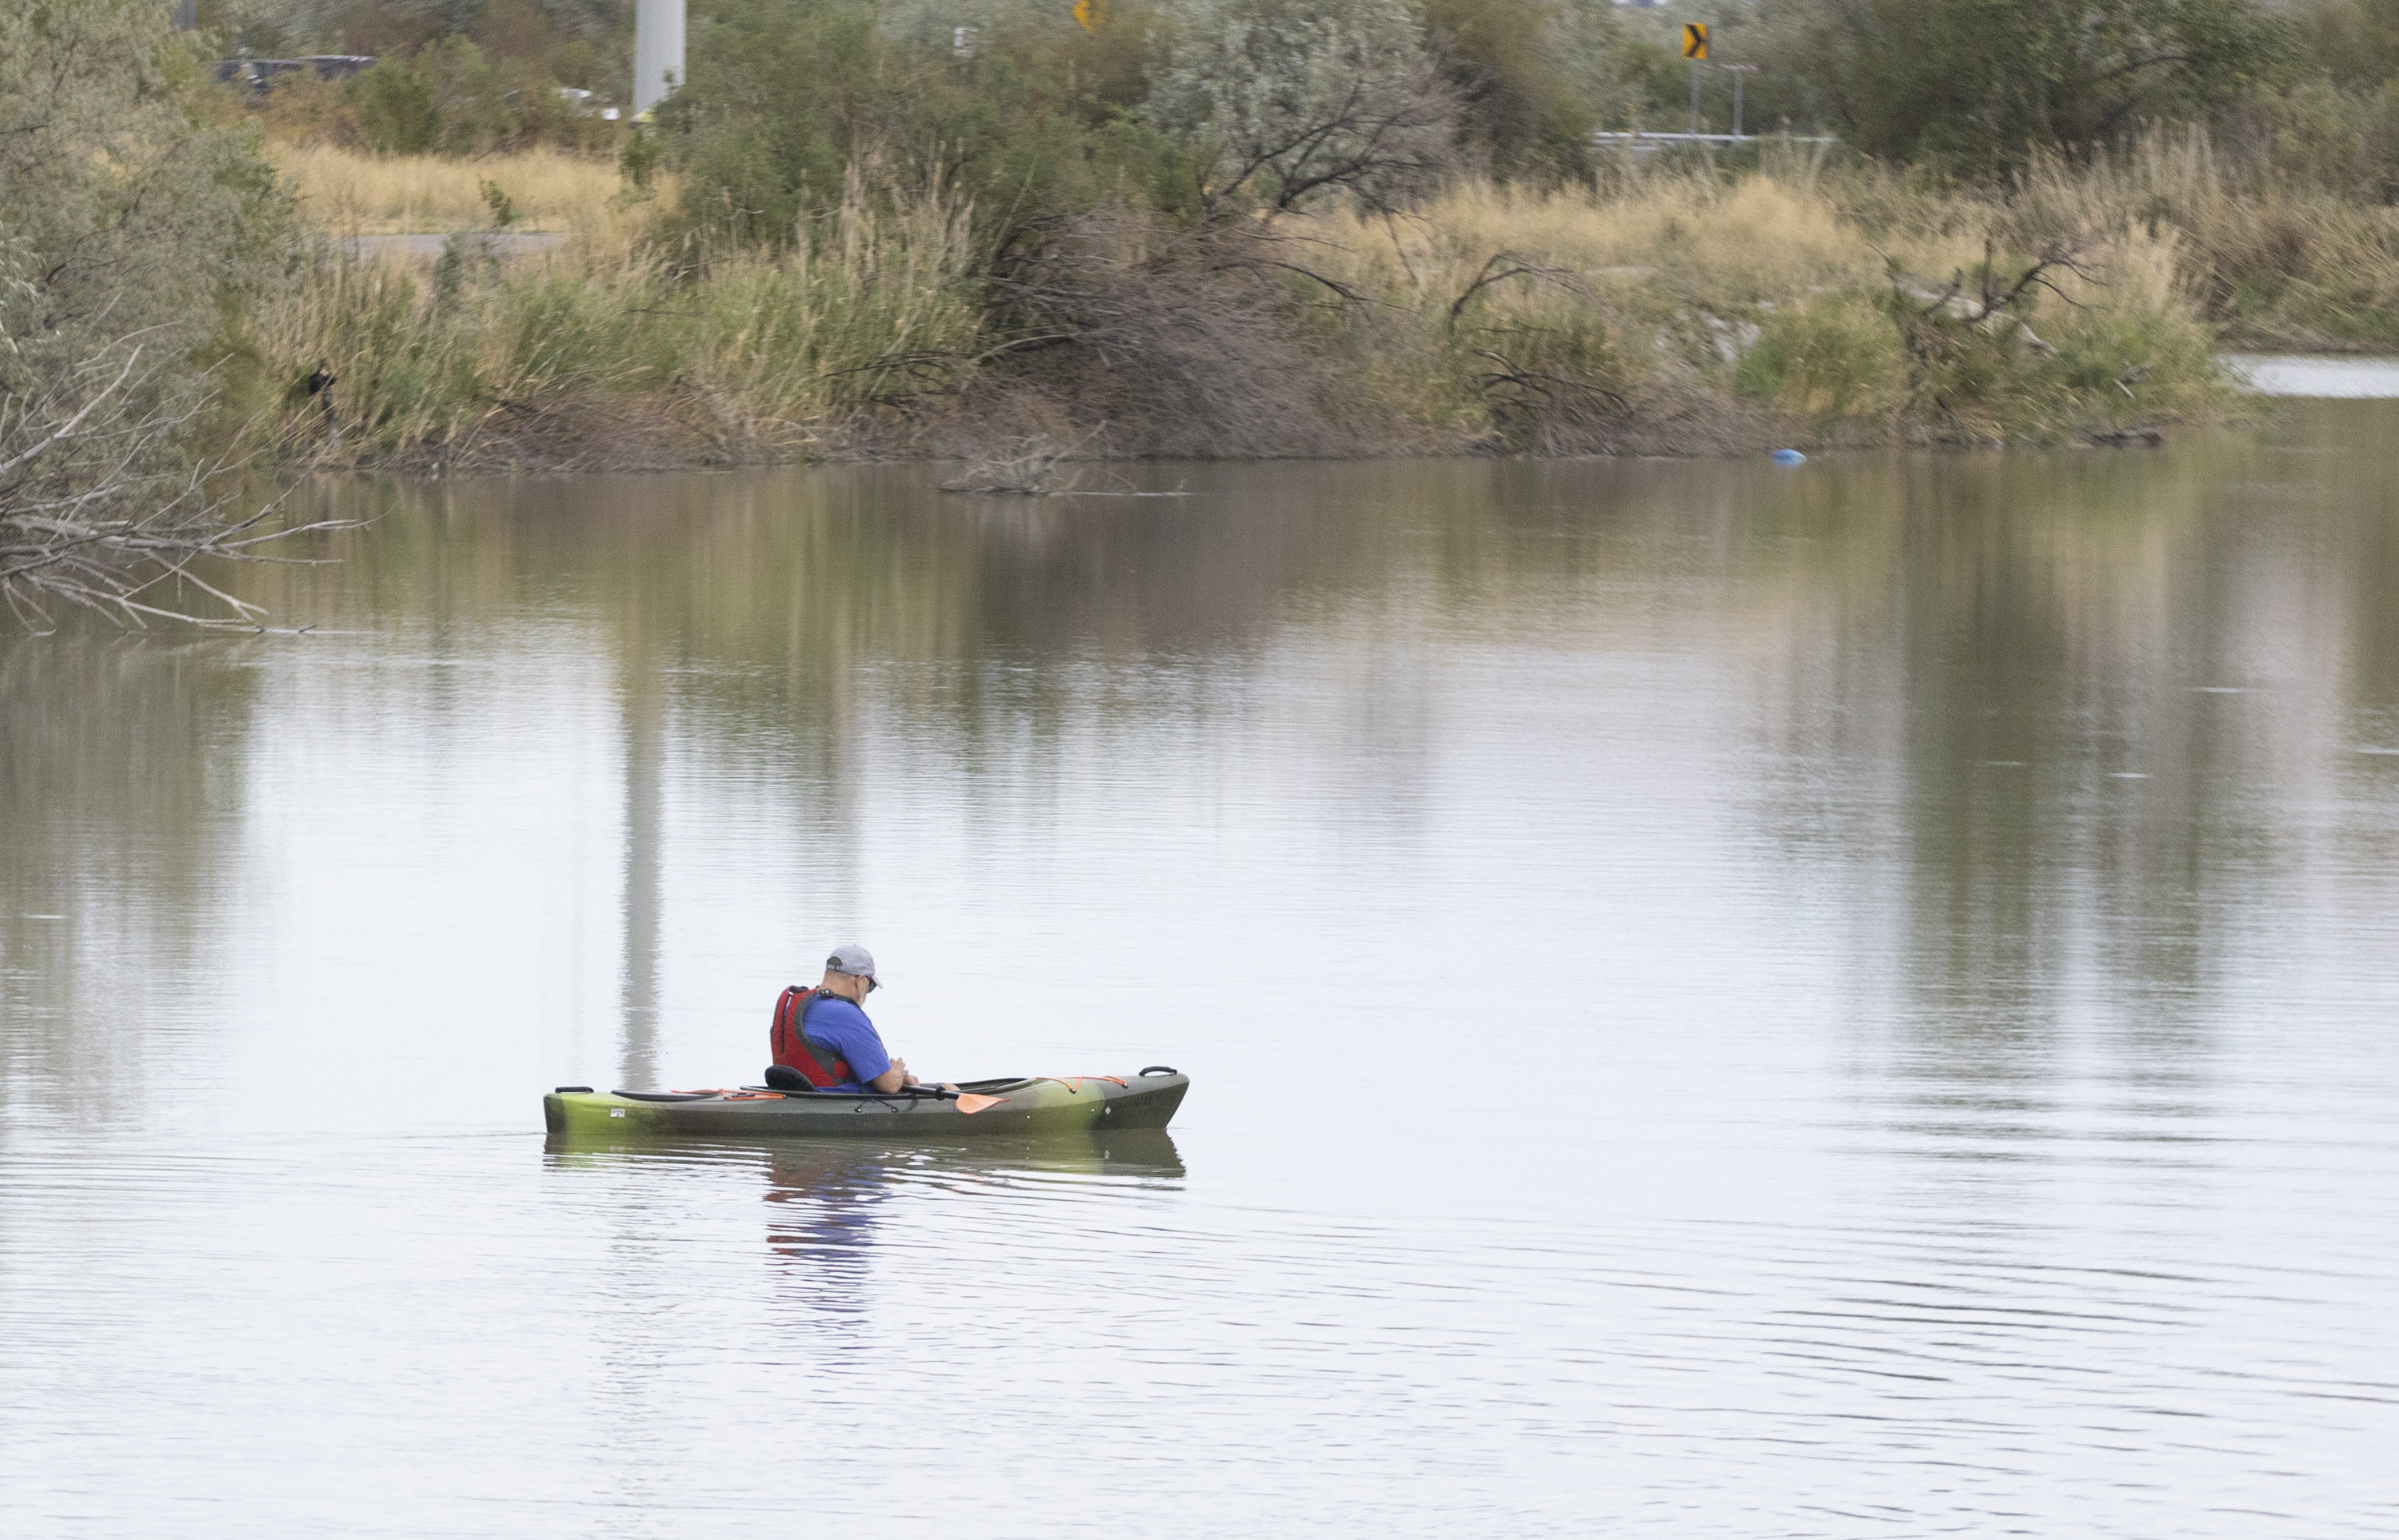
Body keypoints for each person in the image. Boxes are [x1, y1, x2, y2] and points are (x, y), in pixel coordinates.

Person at [767, 945, 944, 1095]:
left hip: (795, 1096)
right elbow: (888, 1085)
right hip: (834, 1102)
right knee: (949, 1088)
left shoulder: (795, 1006)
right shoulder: (846, 1015)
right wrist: (897, 1072)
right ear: (860, 981)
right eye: (870, 986)